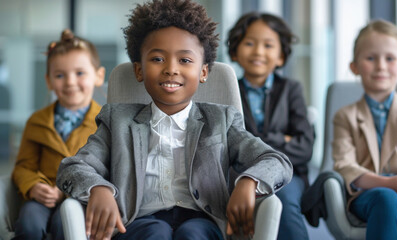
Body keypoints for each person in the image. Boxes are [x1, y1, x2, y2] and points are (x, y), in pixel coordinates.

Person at [56, 1, 292, 240]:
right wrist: (99, 188)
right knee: (155, 233)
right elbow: (72, 167)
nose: (171, 69)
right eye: (157, 59)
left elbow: (276, 161)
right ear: (139, 70)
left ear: (203, 72)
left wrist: (249, 182)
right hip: (140, 222)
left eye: (185, 60)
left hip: (202, 220)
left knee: (193, 234)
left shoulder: (222, 120)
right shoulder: (117, 120)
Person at [332, 19, 397, 240]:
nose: (381, 66)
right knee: (386, 198)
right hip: (370, 195)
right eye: (370, 58)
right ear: (354, 67)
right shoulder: (345, 116)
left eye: (390, 59)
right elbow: (345, 166)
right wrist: (390, 184)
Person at [226, 12, 314, 240]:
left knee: (282, 200)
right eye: (249, 43)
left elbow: (304, 146)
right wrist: (280, 138)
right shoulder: (227, 91)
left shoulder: (291, 89)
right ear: (235, 51)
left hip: (289, 175)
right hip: (239, 174)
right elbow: (226, 144)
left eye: (268, 45)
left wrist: (257, 142)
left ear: (281, 57)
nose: (258, 51)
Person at [11, 29, 105, 240]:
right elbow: (23, 166)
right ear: (49, 81)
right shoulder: (37, 121)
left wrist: (66, 192)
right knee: (28, 225)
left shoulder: (105, 121)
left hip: (81, 198)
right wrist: (34, 186)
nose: (70, 82)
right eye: (60, 75)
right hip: (42, 197)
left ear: (98, 76)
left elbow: (109, 170)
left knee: (66, 226)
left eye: (79, 73)